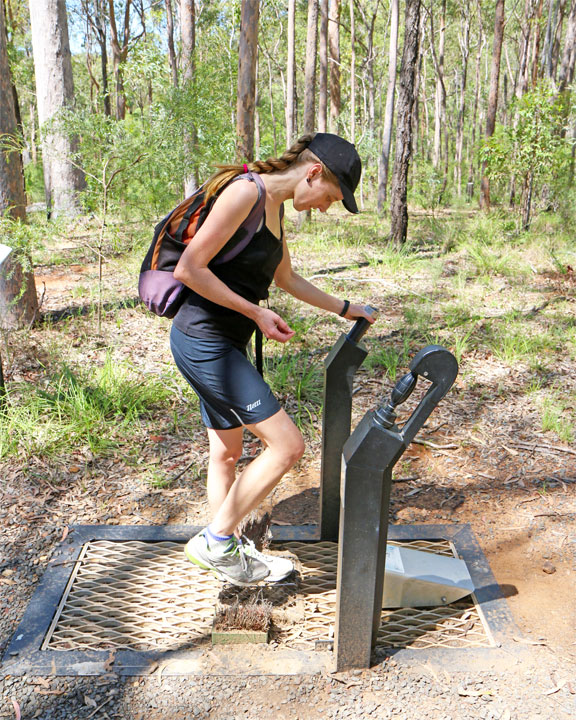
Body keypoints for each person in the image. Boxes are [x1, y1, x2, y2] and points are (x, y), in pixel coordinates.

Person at [170, 132, 375, 587]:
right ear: (314, 172)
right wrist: (255, 311)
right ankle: (217, 541)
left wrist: (346, 308)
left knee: (226, 453)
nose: (325, 208)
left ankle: (224, 553)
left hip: (222, 341)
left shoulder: (274, 208)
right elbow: (190, 268)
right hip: (205, 342)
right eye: (331, 197)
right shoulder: (245, 192)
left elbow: (285, 277)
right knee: (287, 446)